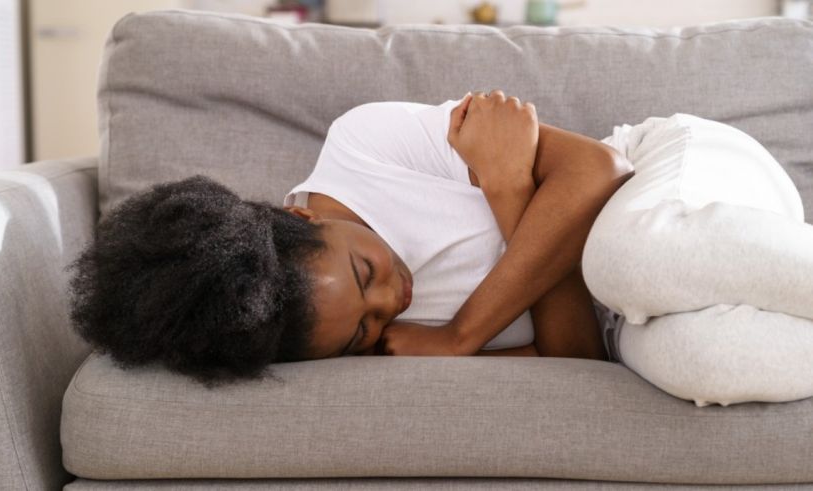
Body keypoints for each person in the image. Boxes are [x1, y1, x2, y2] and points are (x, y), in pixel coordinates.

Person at [68, 90, 812, 388]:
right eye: (364, 330)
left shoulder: (365, 144)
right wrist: (510, 188)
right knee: (708, 368)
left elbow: (596, 174)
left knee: (623, 257)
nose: (394, 300)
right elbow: (582, 355)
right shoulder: (376, 343)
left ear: (299, 217)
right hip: (639, 322)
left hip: (676, 175)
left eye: (364, 273)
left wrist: (463, 333)